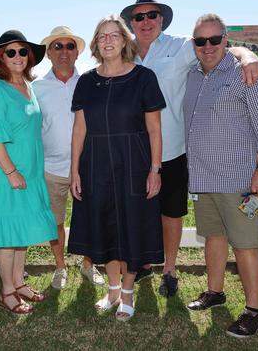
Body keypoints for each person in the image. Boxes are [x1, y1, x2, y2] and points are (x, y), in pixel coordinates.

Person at [120, 0, 258, 295]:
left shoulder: (182, 46)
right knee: (137, 210)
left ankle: (169, 269)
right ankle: (144, 264)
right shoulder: (124, 52)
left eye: (151, 15)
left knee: (171, 213)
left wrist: (248, 55)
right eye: (139, 17)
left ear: (161, 19)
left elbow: (218, 45)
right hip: (132, 150)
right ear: (131, 23)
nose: (146, 21)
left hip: (173, 147)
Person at [183, 14, 258, 338]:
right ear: (194, 44)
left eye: (215, 39)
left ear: (227, 41)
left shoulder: (246, 74)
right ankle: (216, 292)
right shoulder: (194, 76)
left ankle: (253, 311)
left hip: (240, 179)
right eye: (201, 41)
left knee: (245, 245)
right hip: (204, 178)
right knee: (213, 237)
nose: (208, 46)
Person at [68, 16, 165, 321]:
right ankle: (111, 289)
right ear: (96, 44)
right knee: (104, 226)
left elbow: (154, 130)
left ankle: (127, 291)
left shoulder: (144, 77)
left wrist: (155, 169)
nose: (108, 41)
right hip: (95, 164)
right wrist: (75, 170)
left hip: (133, 164)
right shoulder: (85, 81)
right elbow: (79, 130)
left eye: (114, 35)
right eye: (101, 36)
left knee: (131, 226)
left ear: (125, 41)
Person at [0, 30, 57, 315]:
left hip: (29, 170)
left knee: (20, 230)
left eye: (23, 52)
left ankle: (19, 282)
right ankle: (7, 291)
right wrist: (11, 172)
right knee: (7, 235)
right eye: (11, 52)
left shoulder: (27, 85)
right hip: (5, 172)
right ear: (0, 58)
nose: (18, 57)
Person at [33, 26, 104, 290]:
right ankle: (60, 267)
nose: (64, 51)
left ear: (77, 53)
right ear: (49, 53)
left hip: (87, 167)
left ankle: (88, 264)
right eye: (57, 46)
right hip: (50, 168)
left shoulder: (91, 82)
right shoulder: (36, 87)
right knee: (56, 222)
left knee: (90, 220)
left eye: (70, 46)